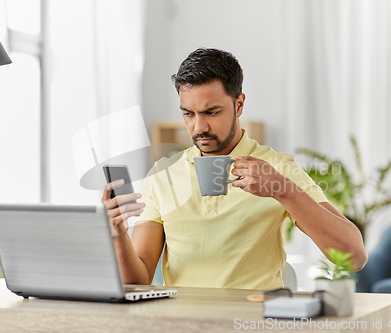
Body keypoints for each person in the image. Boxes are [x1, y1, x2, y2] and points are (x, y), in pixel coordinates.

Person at [102, 48, 368, 289]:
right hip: (182, 322)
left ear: (238, 104)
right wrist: (117, 232)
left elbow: (354, 256)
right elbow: (137, 281)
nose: (199, 128)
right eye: (188, 114)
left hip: (253, 322)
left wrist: (283, 190)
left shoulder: (276, 168)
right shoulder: (162, 176)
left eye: (212, 112)